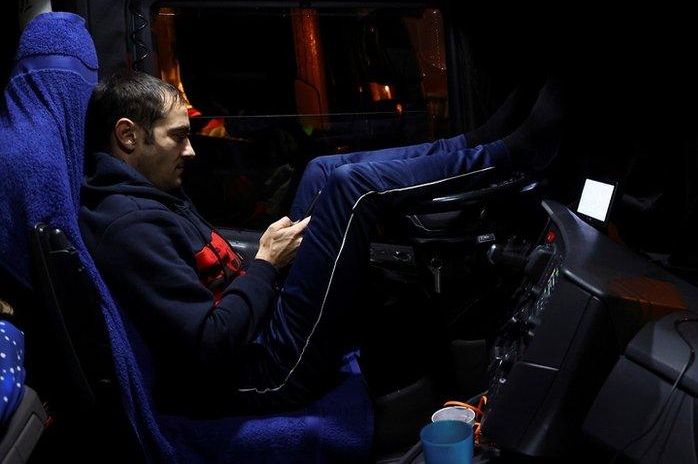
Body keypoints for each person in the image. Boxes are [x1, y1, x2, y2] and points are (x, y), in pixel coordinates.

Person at [80, 70, 565, 415]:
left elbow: (211, 271)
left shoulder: (148, 192)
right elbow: (211, 344)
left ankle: (473, 142)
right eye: (177, 137)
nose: (192, 150)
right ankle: (509, 156)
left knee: (322, 170)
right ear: (127, 137)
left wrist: (262, 265)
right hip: (264, 369)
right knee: (351, 189)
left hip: (258, 325)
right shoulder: (129, 228)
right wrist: (266, 265)